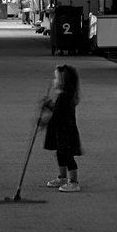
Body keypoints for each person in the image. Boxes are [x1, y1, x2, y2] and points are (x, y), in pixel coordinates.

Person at [39, 64, 84, 192]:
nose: (54, 81)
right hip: (61, 131)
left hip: (66, 132)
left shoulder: (65, 97)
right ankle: (63, 177)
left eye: (56, 78)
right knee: (60, 154)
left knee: (68, 156)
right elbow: (57, 110)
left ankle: (74, 182)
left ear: (63, 81)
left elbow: (57, 115)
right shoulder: (64, 96)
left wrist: (43, 122)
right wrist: (48, 104)